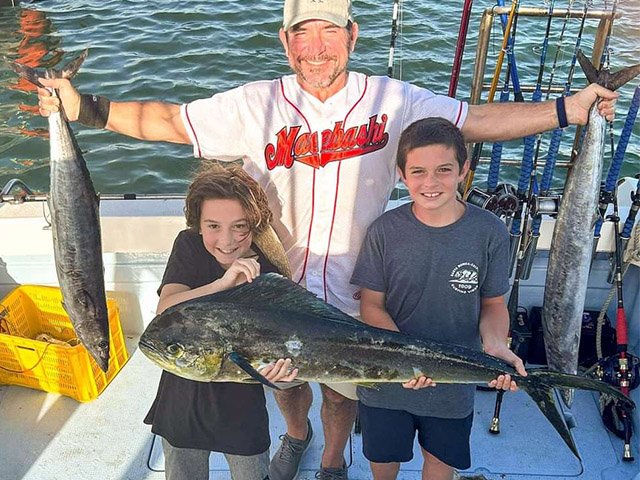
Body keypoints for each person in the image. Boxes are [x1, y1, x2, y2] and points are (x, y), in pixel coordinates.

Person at [34, 1, 616, 478]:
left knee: (343, 390)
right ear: (285, 42)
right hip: (275, 284)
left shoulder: (393, 100)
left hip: (359, 282)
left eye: (329, 32)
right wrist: (81, 107)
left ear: (352, 36)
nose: (315, 48)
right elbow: (168, 121)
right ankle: (296, 435)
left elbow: (475, 121)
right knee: (283, 380)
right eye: (301, 34)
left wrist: (571, 109)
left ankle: (333, 460)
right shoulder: (255, 104)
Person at [350, 117, 527, 480]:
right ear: (402, 175)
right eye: (418, 171)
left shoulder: (490, 231)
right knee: (383, 461)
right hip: (387, 378)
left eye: (443, 170)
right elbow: (371, 304)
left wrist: (495, 345)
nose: (430, 183)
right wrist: (406, 359)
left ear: (464, 170)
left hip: (453, 384)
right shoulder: (383, 230)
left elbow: (493, 304)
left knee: (440, 462)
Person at [144, 162, 298, 480]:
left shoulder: (268, 272)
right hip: (182, 401)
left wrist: (278, 378)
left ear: (255, 225)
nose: (226, 240)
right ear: (198, 224)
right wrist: (222, 284)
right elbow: (166, 307)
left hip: (242, 409)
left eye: (239, 227)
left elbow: (279, 360)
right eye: (213, 226)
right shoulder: (188, 245)